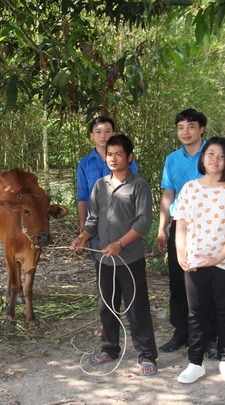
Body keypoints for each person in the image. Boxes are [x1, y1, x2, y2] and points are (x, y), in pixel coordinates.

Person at [71, 134, 158, 376]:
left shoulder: (139, 185)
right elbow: (93, 220)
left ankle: (147, 354)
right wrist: (83, 237)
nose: (113, 158)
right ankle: (109, 348)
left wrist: (120, 243)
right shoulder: (100, 185)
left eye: (119, 154)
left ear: (130, 157)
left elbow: (143, 223)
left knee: (137, 307)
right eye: (110, 154)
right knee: (106, 306)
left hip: (129, 259)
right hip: (104, 257)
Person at [174, 137, 225, 384]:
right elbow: (181, 226)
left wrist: (217, 257)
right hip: (193, 261)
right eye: (211, 154)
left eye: (221, 156)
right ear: (203, 157)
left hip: (224, 262)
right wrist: (181, 255)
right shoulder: (190, 188)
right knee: (195, 313)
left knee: (224, 312)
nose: (215, 160)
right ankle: (195, 363)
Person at [156, 108, 217, 356]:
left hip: (209, 229)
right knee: (178, 283)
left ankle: (209, 337)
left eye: (191, 126)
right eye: (180, 127)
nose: (185, 132)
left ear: (202, 128)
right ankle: (181, 331)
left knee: (208, 283)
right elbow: (169, 194)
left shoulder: (213, 155)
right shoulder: (172, 159)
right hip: (180, 227)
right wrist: (162, 228)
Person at [76, 116, 138, 335]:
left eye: (108, 131)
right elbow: (82, 198)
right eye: (98, 131)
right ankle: (108, 321)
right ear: (92, 135)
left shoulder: (127, 160)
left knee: (128, 275)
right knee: (104, 276)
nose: (103, 136)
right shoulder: (85, 163)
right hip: (98, 229)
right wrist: (83, 232)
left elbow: (135, 194)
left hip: (124, 229)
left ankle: (132, 319)